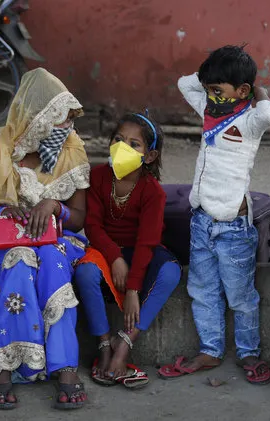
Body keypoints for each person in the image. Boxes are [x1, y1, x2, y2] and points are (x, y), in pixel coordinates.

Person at [0, 68, 91, 410]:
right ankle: (2, 365)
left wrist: (54, 207)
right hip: (5, 243)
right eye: (60, 119)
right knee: (19, 260)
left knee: (52, 262)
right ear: (36, 117)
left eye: (70, 120)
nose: (67, 128)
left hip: (57, 240)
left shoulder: (72, 150)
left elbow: (78, 218)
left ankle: (65, 367)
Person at [157, 45, 270, 385]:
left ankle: (248, 351)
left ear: (242, 91)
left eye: (218, 90)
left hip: (234, 227)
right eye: (209, 89)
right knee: (202, 289)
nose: (210, 95)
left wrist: (260, 93)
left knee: (240, 294)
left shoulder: (250, 120)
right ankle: (210, 350)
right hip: (201, 222)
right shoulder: (209, 109)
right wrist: (210, 76)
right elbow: (185, 84)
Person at [73, 112, 181, 388]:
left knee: (170, 272)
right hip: (105, 248)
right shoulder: (97, 176)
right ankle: (104, 345)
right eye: (118, 140)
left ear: (150, 156)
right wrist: (116, 258)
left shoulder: (152, 191)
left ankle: (124, 345)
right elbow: (93, 227)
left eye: (134, 144)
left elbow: (147, 241)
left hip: (141, 252)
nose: (123, 147)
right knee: (85, 273)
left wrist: (133, 289)